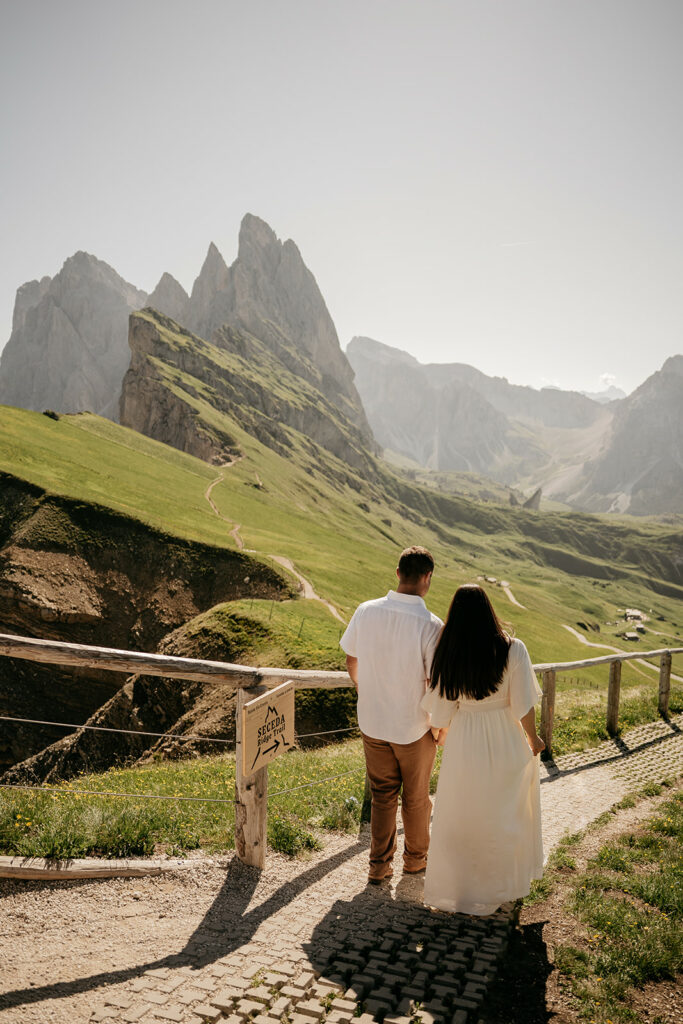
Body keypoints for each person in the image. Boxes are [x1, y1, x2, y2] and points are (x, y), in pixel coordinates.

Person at [421, 584, 545, 915]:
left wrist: (441, 734)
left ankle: (460, 890)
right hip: (505, 738)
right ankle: (498, 887)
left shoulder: (448, 653)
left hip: (464, 742)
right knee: (503, 817)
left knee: (461, 815)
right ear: (489, 611)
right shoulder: (513, 649)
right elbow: (523, 707)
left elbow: (443, 713)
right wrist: (534, 740)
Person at [340, 546, 443, 883]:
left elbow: (351, 660)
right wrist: (438, 728)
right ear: (427, 579)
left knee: (383, 797)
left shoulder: (366, 611)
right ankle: (415, 861)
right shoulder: (431, 625)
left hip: (373, 721)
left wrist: (364, 689)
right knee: (415, 799)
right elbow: (436, 682)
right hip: (413, 726)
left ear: (398, 573)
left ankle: (378, 867)